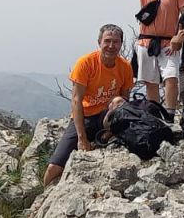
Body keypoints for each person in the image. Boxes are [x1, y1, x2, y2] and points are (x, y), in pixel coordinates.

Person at [98, 0, 184, 113]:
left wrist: (179, 37)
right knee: (151, 82)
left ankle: (170, 114)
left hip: (169, 44)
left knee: (171, 78)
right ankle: (154, 115)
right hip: (146, 43)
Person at [44, 25, 134, 186]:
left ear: (121, 44)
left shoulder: (125, 66)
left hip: (107, 115)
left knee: (119, 102)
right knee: (54, 167)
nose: (111, 46)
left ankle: (107, 135)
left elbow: (125, 99)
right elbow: (76, 100)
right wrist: (81, 138)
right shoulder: (86, 63)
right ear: (99, 42)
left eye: (116, 42)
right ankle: (43, 197)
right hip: (85, 117)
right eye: (107, 41)